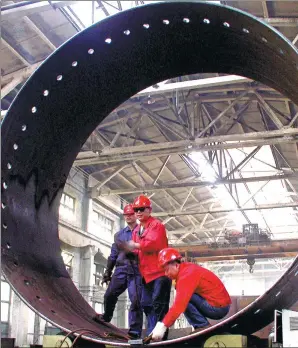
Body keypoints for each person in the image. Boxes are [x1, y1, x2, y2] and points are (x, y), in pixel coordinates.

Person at [151, 248, 231, 341]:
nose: (166, 274)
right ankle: (202, 326)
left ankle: (202, 327)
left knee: (184, 301)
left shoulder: (186, 275)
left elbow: (178, 306)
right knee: (184, 299)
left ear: (176, 265)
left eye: (167, 270)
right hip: (219, 304)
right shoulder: (186, 269)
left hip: (218, 308)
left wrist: (163, 325)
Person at [123, 195, 172, 338]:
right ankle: (152, 333)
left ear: (149, 210)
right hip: (146, 275)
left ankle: (161, 335)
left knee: (159, 304)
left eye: (141, 209)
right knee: (146, 304)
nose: (138, 212)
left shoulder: (157, 226)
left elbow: (154, 244)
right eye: (136, 209)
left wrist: (135, 245)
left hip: (160, 273)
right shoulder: (136, 230)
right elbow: (137, 250)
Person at [100, 204, 143, 339]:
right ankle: (106, 316)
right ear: (124, 216)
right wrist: (108, 272)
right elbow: (113, 254)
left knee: (135, 301)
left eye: (131, 214)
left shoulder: (142, 231)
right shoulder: (119, 235)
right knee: (109, 295)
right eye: (126, 215)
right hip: (121, 269)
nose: (128, 216)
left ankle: (135, 331)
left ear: (136, 215)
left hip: (136, 270)